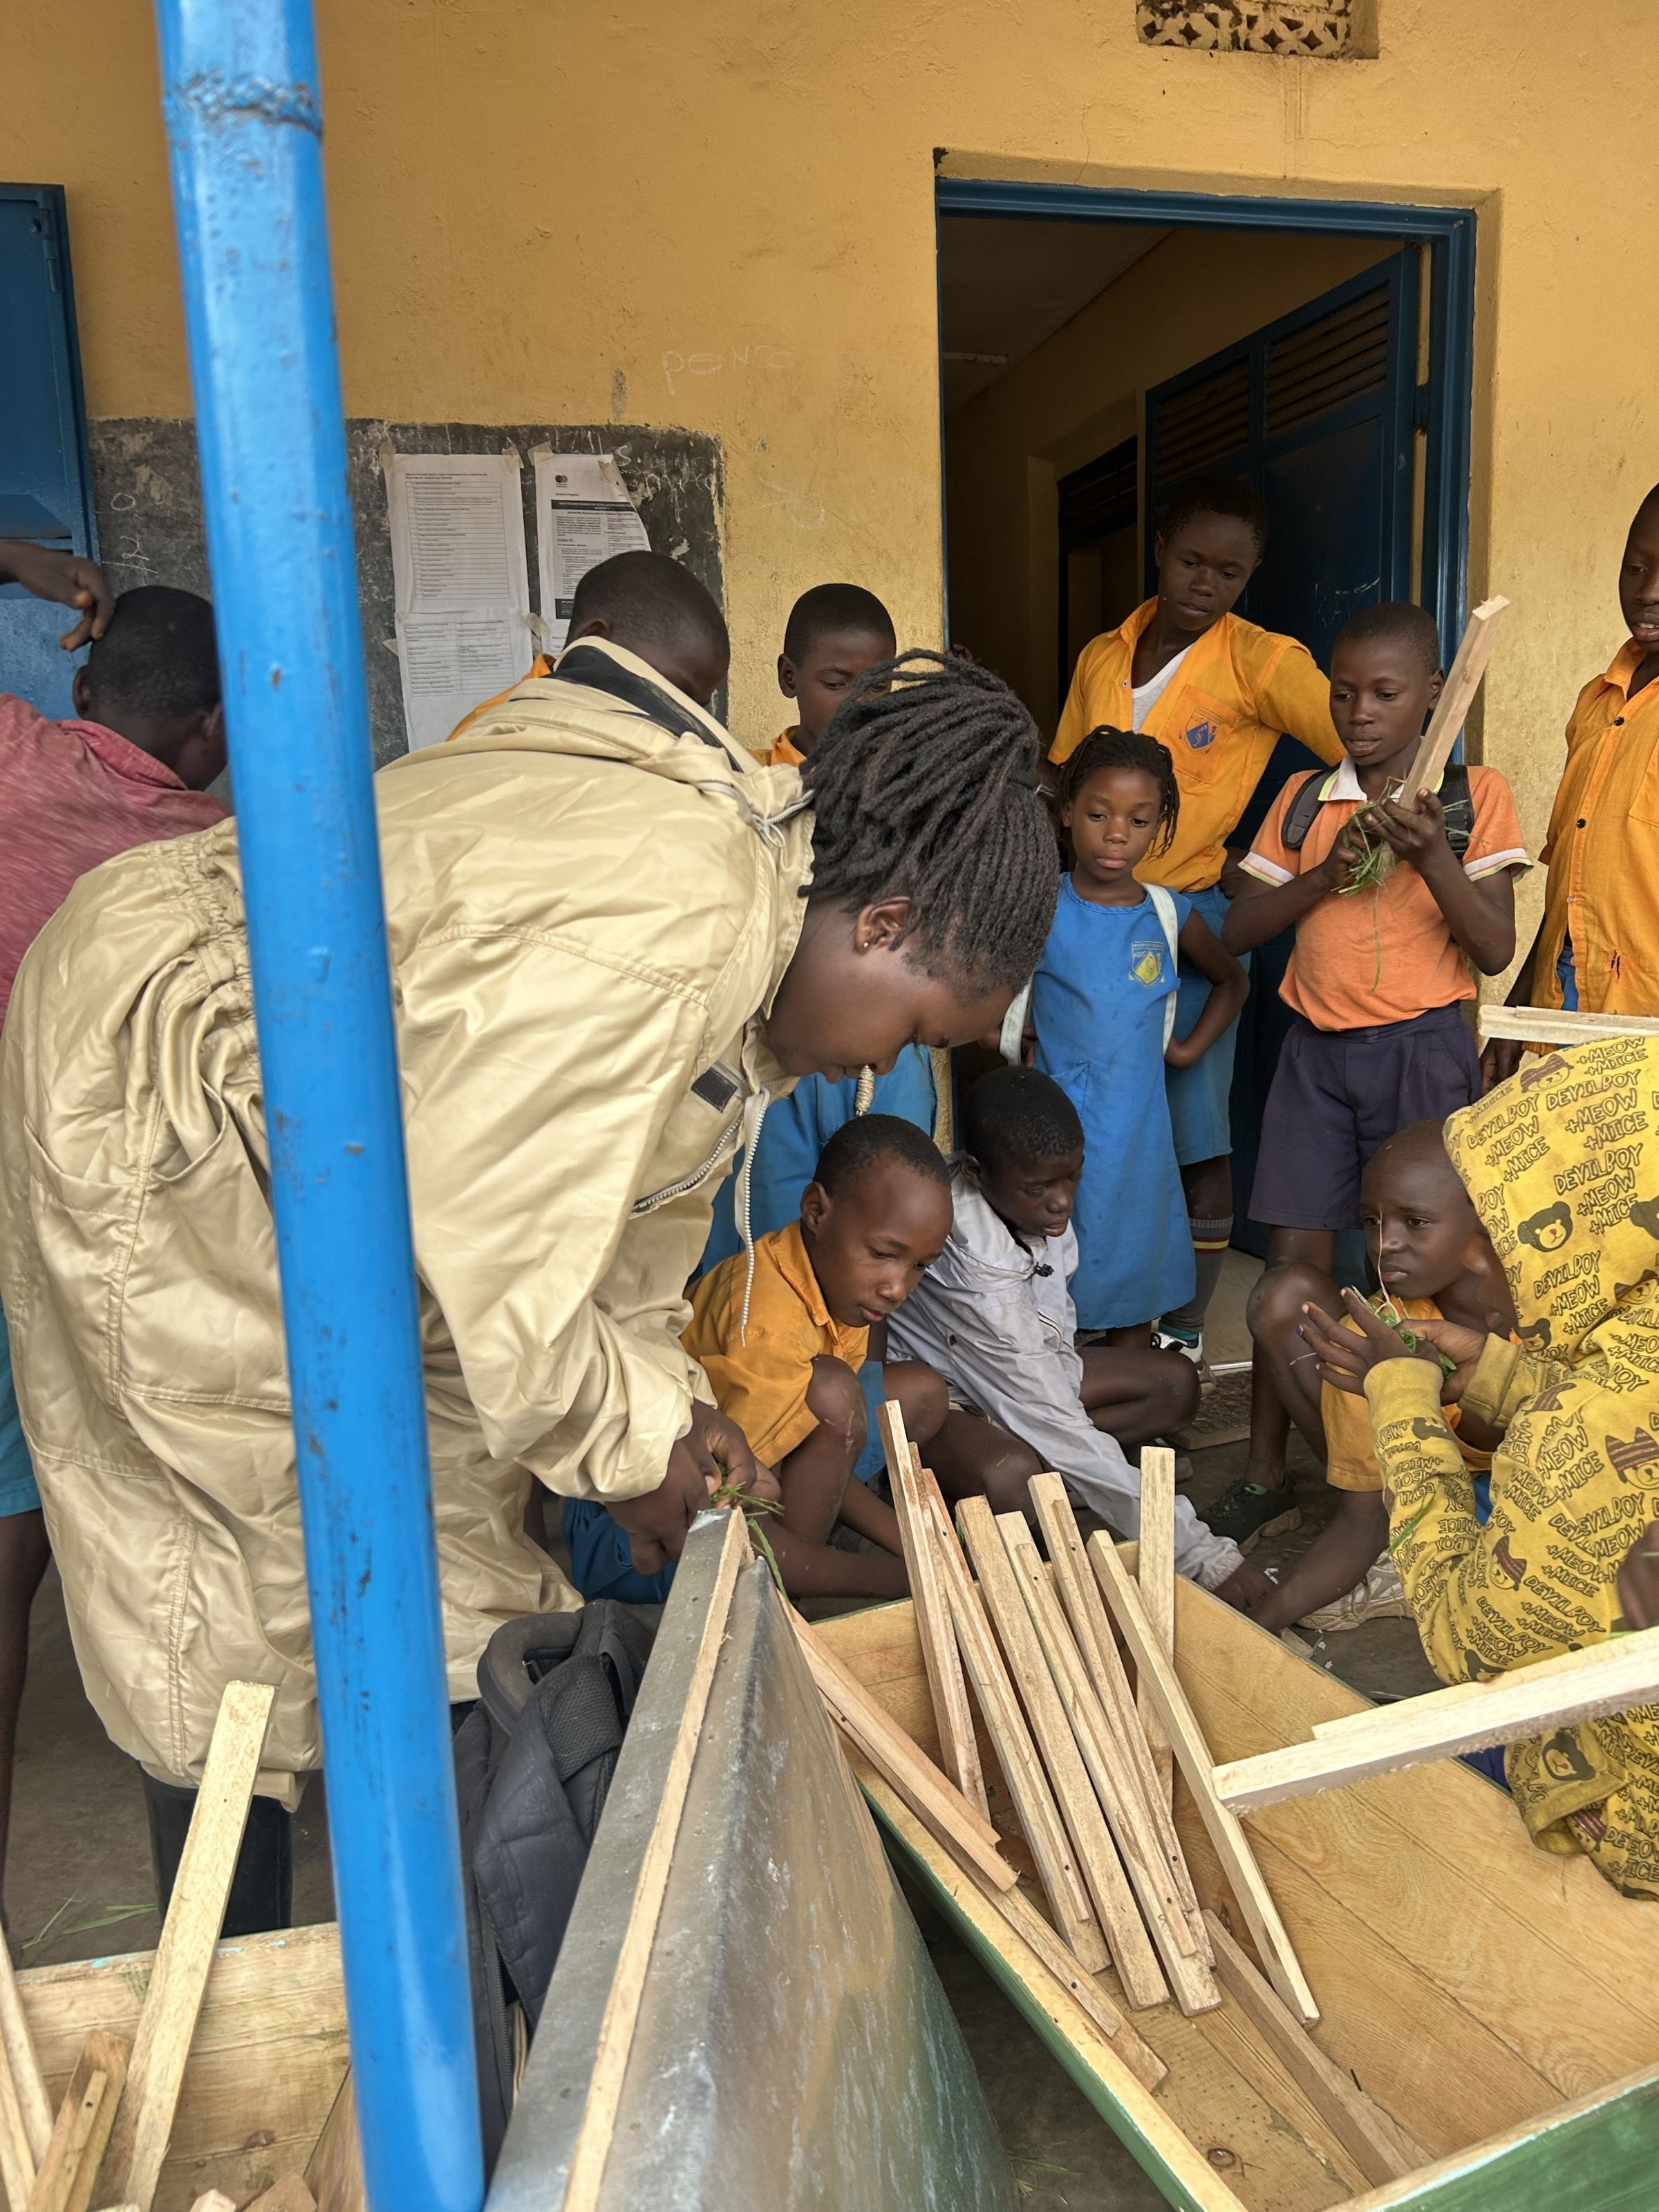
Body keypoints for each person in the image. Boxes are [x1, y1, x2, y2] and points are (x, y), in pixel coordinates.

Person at [0, 550, 1059, 1927]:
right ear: (887, 919)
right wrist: (635, 1440)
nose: (880, 1071)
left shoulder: (749, 900)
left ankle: (450, 1941)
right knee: (229, 1573)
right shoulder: (677, 920)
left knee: (464, 1544)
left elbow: (606, 1228)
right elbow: (499, 1250)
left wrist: (662, 1410)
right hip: (172, 1085)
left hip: (320, 1128)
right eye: (913, 1029)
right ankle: (240, 1966)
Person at [1299, 1038, 1659, 1898]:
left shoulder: (1580, 1431)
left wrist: (1401, 1395)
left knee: (1405, 1788)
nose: (1477, 1261)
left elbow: (1467, 1637)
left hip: (1634, 1819)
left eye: (1495, 1231)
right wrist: (1491, 1368)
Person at [0, 569, 225, 1920]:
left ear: (82, 693)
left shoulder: (16, 754)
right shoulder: (206, 861)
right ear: (211, 732)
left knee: (10, 1531)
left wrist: (21, 558)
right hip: (112, 1231)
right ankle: (202, 1856)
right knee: (161, 1541)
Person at [1219, 601, 1528, 1544]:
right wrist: (1325, 873)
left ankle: (1431, 1483)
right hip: (1315, 1060)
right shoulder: (1306, 800)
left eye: (1386, 693)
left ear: (1434, 696)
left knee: (1431, 1285)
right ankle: (1278, 1472)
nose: (1360, 711)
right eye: (1344, 692)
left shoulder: (1474, 799)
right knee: (1290, 1278)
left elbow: (1492, 949)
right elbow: (1238, 929)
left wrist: (1431, 854)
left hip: (1424, 1057)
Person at [1049, 474, 1344, 1363]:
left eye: (1229, 570)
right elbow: (1062, 770)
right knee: (1096, 1121)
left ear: (1249, 576)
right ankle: (1090, 1302)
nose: (1205, 582)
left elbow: (1358, 740)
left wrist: (1294, 850)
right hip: (1089, 917)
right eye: (1190, 561)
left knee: (1192, 1126)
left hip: (1182, 911)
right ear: (1159, 552)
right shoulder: (1106, 651)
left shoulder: (1264, 660)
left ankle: (1183, 1328)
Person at [888, 1067, 1266, 1604]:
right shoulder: (979, 1273)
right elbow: (1053, 1411)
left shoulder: (1029, 1204)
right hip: (945, 1399)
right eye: (1041, 1187)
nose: (1062, 1201)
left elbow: (1054, 1328)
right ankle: (1029, 1464)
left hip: (1020, 1372)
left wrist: (1056, 1408)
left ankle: (1058, 1462)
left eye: (1072, 1178)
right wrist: (1205, 1556)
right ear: (976, 1173)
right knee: (1009, 1478)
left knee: (1175, 1383)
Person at [566, 1116, 951, 1602]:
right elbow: (733, 1522)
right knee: (832, 1396)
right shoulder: (769, 1325)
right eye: (882, 1253)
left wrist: (920, 1543)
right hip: (638, 1532)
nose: (898, 1287)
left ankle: (809, 1563)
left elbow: (812, 1438)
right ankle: (775, 1603)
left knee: (911, 1393)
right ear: (816, 1210)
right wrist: (917, 1581)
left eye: (919, 1266)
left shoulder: (839, 1289)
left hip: (735, 1481)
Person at [1243, 1121, 1515, 1634]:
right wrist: (1266, 1621)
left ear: (1483, 1222)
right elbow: (1360, 1522)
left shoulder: (1548, 1312)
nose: (1384, 1244)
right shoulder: (1370, 1345)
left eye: (1415, 1222)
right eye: (1371, 1222)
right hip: (1448, 1502)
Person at [1032, 728, 1247, 1341]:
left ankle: (1133, 1418)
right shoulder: (1044, 905)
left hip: (1142, 1139)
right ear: (1067, 812)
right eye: (1098, 814)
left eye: (1139, 819)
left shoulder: (1167, 913)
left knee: (1136, 1280)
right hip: (1061, 1134)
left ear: (1161, 827)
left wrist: (1187, 1048)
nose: (1117, 833)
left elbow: (1232, 982)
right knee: (1060, 1283)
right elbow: (990, 995)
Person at [1486, 484, 1659, 1087]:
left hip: (1646, 1023)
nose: (1648, 591)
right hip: (1566, 1002)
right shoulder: (1595, 701)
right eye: (1636, 566)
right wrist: (1517, 1009)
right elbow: (1570, 877)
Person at [760, 581, 897, 765]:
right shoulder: (743, 779)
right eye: (835, 684)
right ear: (789, 677)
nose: (859, 704)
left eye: (877, 686)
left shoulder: (912, 779)